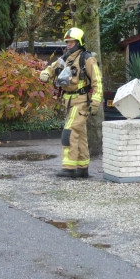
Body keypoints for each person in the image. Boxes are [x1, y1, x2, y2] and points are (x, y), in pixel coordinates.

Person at [39, 27, 102, 178]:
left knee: (69, 132)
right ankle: (82, 168)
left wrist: (95, 103)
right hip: (68, 101)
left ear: (79, 42)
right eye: (67, 42)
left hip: (81, 102)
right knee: (80, 135)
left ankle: (69, 168)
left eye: (72, 42)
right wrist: (45, 73)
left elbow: (97, 82)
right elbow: (52, 68)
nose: (68, 44)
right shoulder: (65, 58)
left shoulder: (87, 59)